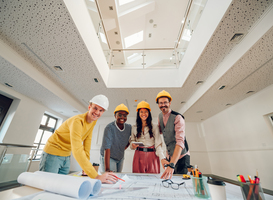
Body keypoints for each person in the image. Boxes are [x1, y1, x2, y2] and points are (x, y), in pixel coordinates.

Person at [39, 94, 117, 184]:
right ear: (89, 107)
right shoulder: (77, 121)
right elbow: (77, 150)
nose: (97, 112)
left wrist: (86, 168)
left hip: (66, 156)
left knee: (59, 185)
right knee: (47, 184)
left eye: (101, 110)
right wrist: (96, 176)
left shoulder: (93, 122)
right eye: (95, 108)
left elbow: (87, 144)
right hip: (52, 153)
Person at [156, 90, 190, 179]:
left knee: (181, 182)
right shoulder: (159, 117)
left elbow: (180, 142)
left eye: (165, 102)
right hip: (169, 156)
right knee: (170, 181)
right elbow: (160, 132)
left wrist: (172, 165)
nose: (163, 105)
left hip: (182, 156)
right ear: (158, 104)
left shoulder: (178, 117)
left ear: (170, 103)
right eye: (160, 103)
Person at [130, 101, 165, 173]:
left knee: (152, 179)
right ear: (138, 114)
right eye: (141, 112)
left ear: (149, 113)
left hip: (152, 155)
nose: (143, 114)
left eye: (145, 112)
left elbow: (158, 144)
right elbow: (132, 141)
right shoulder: (134, 127)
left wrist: (162, 158)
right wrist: (132, 145)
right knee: (137, 178)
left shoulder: (154, 126)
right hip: (138, 155)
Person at [100, 103, 131, 172]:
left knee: (118, 176)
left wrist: (123, 148)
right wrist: (107, 169)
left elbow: (133, 137)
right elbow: (106, 148)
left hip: (120, 157)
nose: (122, 117)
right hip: (109, 157)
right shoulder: (109, 128)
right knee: (111, 177)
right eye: (119, 115)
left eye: (124, 116)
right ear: (115, 116)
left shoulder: (129, 127)